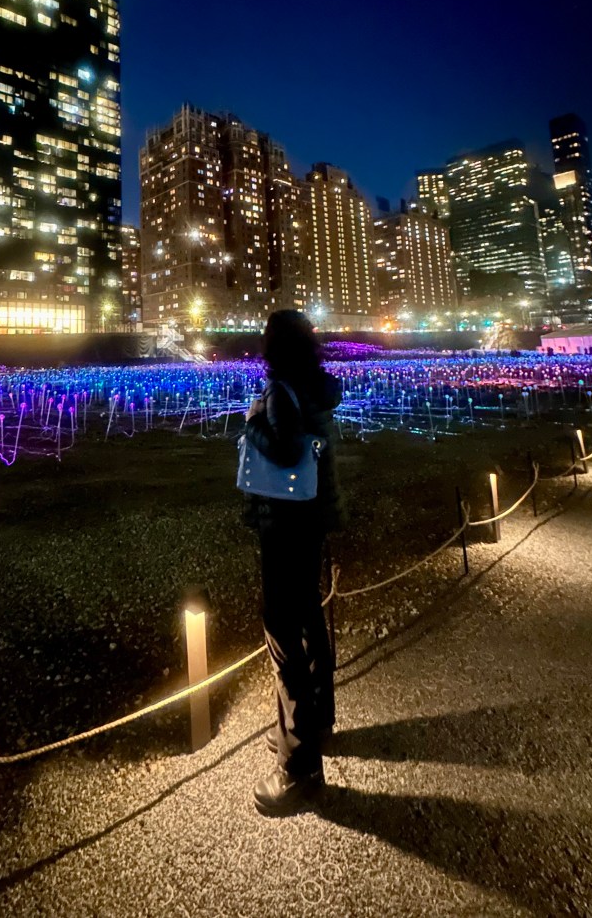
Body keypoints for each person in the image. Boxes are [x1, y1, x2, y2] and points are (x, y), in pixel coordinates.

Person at [242, 309, 343, 815]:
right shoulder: (315, 386)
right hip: (314, 513)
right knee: (307, 617)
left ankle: (299, 764)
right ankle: (317, 722)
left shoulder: (282, 391)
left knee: (282, 629)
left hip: (285, 521)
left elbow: (285, 451)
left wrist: (253, 424)